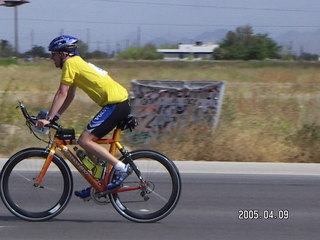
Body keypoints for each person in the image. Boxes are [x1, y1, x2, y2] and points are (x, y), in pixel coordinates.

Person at [36, 35, 132, 200]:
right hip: (116, 103)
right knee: (87, 143)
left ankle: (121, 167)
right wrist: (56, 117)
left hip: (115, 104)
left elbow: (62, 93)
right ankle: (99, 183)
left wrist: (49, 119)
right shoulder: (76, 63)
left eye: (53, 54)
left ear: (63, 53)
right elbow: (70, 95)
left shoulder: (70, 64)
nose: (51, 58)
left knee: (84, 140)